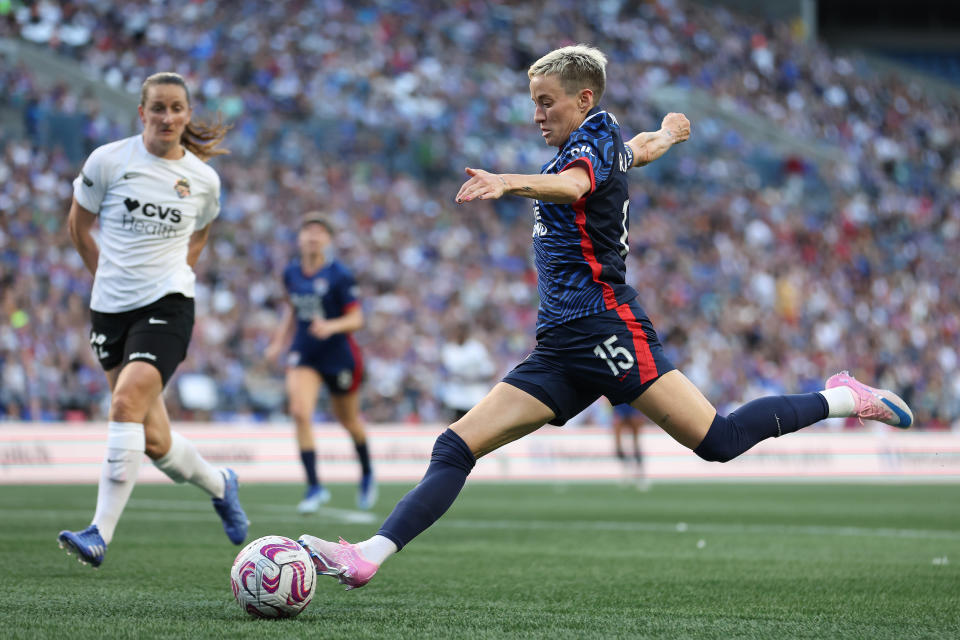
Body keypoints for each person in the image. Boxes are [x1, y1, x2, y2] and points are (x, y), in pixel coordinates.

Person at [298, 44, 913, 589]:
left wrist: (506, 183)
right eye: (534, 103)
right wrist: (666, 137)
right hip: (561, 345)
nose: (537, 114)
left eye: (547, 102)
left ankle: (844, 400)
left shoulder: (583, 150)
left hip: (606, 328)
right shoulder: (598, 142)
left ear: (582, 98)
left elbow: (573, 188)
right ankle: (368, 555)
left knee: (718, 441)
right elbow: (633, 152)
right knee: (455, 445)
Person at [58, 72, 249, 568]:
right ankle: (220, 483)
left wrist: (174, 276)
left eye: (176, 108)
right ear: (141, 113)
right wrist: (110, 281)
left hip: (168, 307)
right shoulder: (108, 161)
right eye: (158, 108)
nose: (168, 117)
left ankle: (99, 532)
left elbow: (200, 237)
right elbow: (78, 228)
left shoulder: (203, 180)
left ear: (187, 114)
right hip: (110, 310)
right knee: (156, 440)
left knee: (124, 404)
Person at [265, 213, 376, 513]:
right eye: (307, 231)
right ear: (299, 238)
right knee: (300, 412)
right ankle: (314, 486)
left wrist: (330, 326)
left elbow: (357, 318)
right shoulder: (291, 272)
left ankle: (366, 473)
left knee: (348, 421)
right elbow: (291, 308)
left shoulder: (340, 275)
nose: (312, 236)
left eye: (319, 232)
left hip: (339, 355)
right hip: (305, 352)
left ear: (327, 240)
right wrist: (278, 342)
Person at [440, 322, 497, 422]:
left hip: (475, 396)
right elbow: (445, 372)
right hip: (456, 397)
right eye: (457, 331)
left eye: (462, 331)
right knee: (455, 428)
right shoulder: (449, 349)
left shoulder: (476, 348)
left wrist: (474, 378)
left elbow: (489, 371)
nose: (459, 333)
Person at [611, 401, 648, 490]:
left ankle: (640, 475)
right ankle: (625, 473)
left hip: (632, 402)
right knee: (619, 445)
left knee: (636, 444)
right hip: (620, 403)